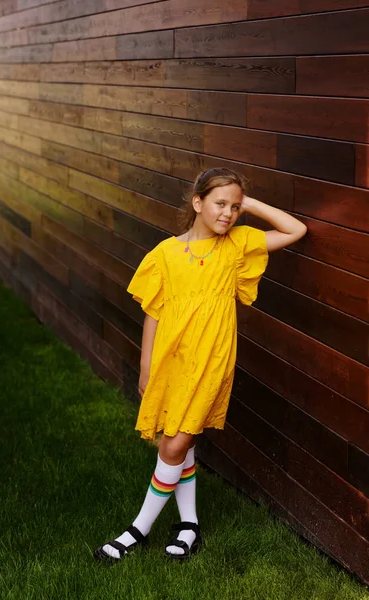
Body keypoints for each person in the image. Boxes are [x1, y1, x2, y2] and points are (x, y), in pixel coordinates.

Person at [93, 167, 307, 562]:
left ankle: (137, 530)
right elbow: (153, 315)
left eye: (234, 206)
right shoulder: (165, 253)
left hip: (212, 361)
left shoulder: (238, 244)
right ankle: (189, 526)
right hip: (171, 361)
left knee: (174, 445)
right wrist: (145, 368)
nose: (227, 213)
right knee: (176, 440)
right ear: (197, 203)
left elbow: (295, 230)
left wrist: (250, 205)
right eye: (220, 203)